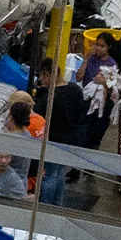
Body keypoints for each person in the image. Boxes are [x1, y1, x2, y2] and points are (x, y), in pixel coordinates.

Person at [35, 64, 93, 207]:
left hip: (54, 139)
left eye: (42, 77)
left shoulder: (51, 96)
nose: (41, 80)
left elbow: (37, 114)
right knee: (59, 172)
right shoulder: (75, 89)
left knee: (49, 174)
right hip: (71, 138)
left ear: (47, 75)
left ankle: (45, 205)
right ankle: (57, 203)